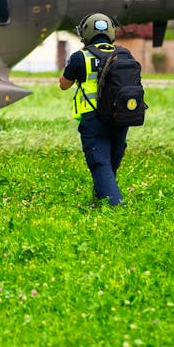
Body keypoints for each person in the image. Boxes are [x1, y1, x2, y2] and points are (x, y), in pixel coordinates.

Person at [59, 13, 128, 207]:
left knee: (100, 163)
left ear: (86, 33)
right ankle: (99, 201)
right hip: (121, 118)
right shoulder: (123, 54)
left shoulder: (80, 57)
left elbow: (64, 85)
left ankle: (116, 207)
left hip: (94, 118)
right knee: (111, 162)